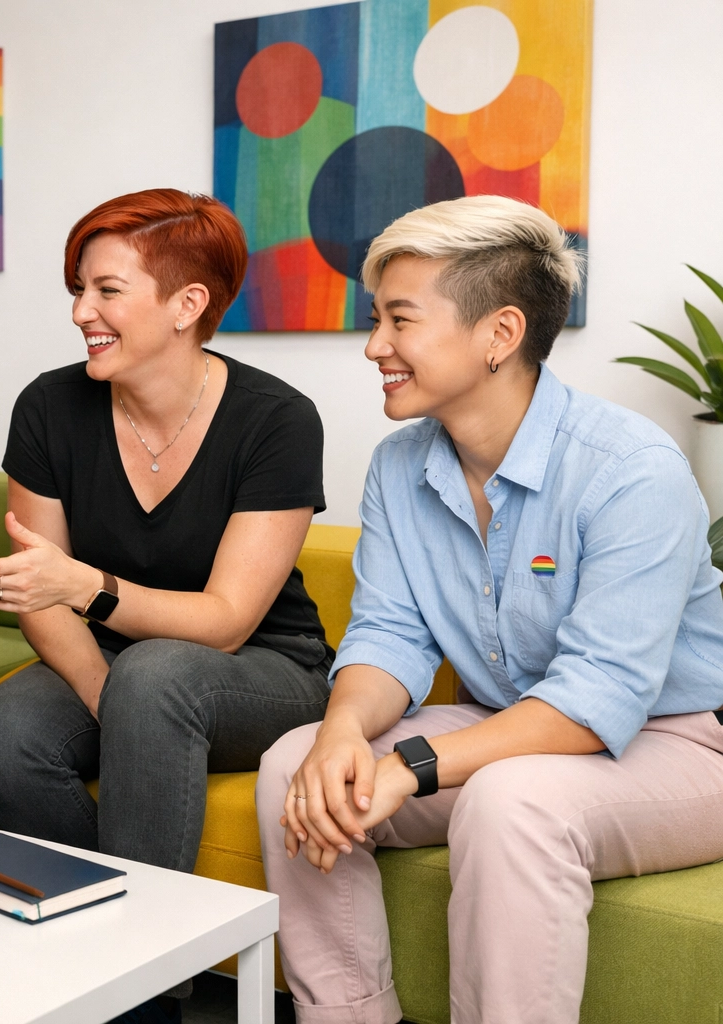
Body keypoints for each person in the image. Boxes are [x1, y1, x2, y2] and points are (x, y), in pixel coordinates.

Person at [256, 195, 723, 1024]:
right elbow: (390, 634)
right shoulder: (401, 466)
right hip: (510, 723)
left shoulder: (631, 470)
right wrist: (338, 736)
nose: (375, 347)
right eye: (376, 319)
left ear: (499, 334)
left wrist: (414, 766)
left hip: (677, 743)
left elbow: (597, 697)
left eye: (401, 320)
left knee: (513, 802)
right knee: (297, 768)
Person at [0, 188, 332, 869]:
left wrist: (88, 589)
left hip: (264, 667)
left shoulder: (276, 420)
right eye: (78, 289)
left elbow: (227, 622)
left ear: (186, 306)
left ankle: (155, 972)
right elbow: (42, 593)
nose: (80, 313)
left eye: (107, 290)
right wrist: (106, 690)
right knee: (3, 732)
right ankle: (91, 935)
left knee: (156, 677)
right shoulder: (48, 406)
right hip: (117, 661)